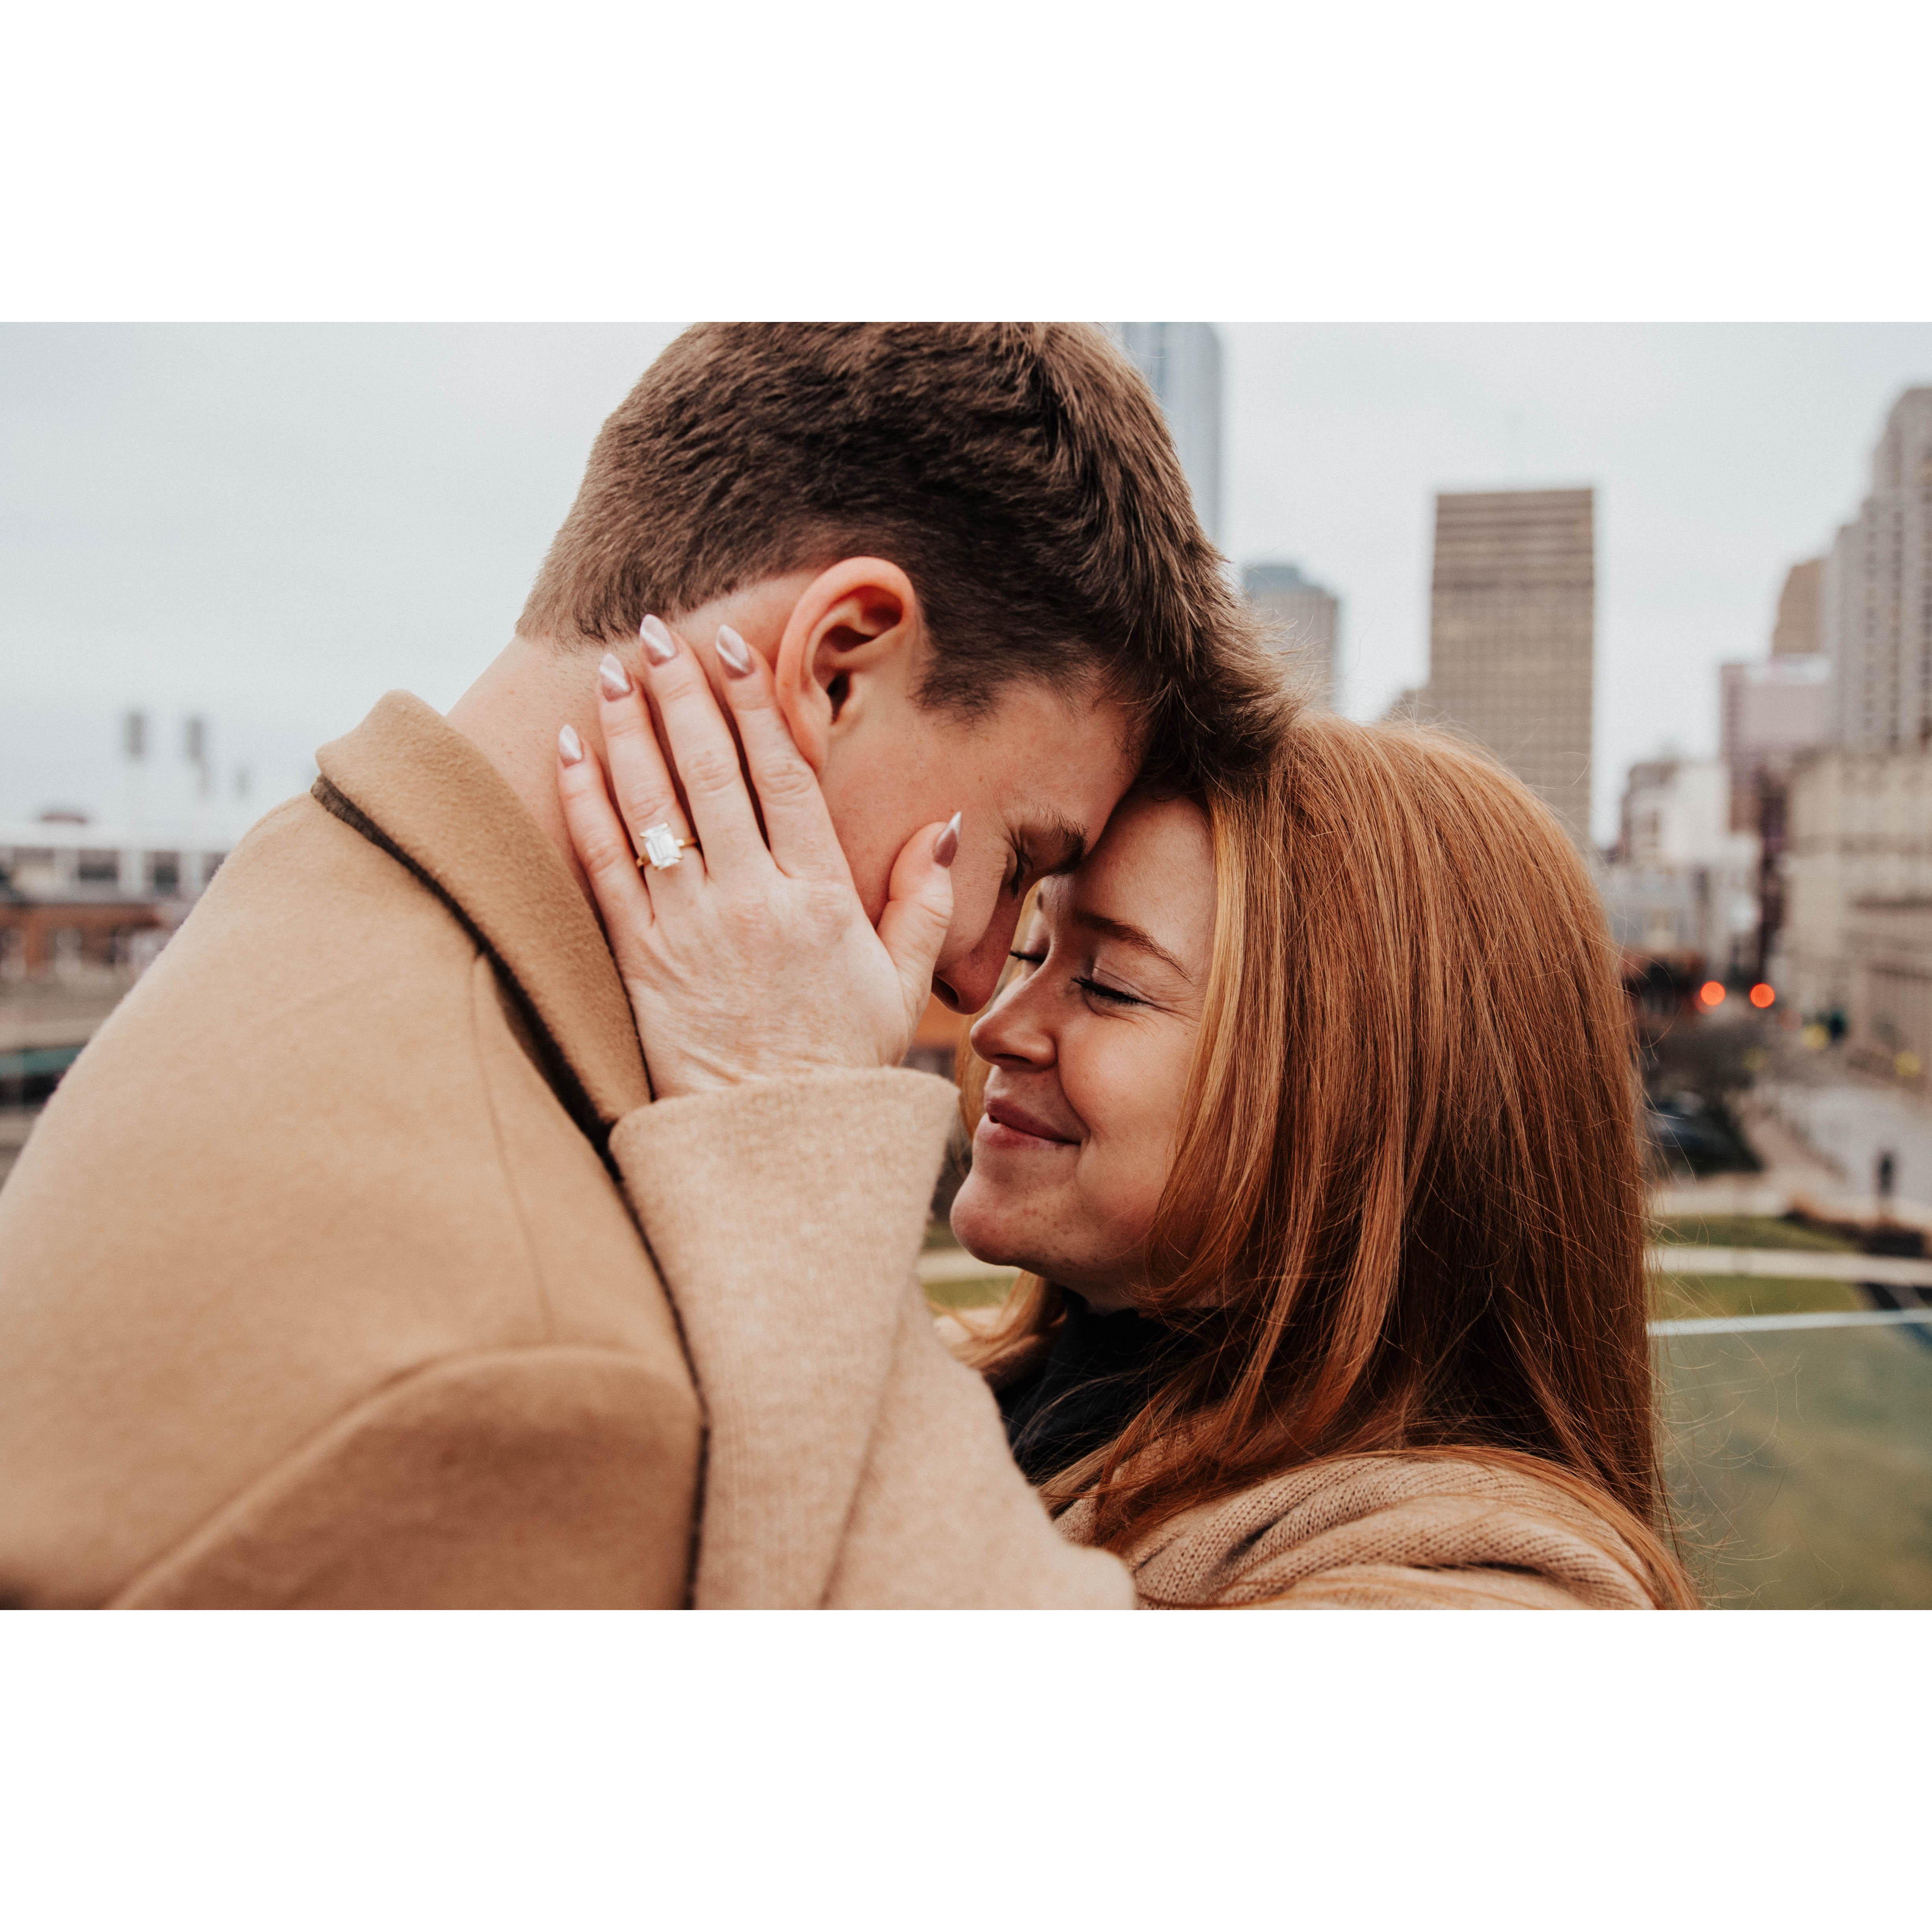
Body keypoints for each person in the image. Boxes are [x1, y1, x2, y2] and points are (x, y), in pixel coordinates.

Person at [0, 324, 1287, 1609]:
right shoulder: (538, 1381)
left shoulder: (313, 908)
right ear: (839, 668)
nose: (975, 980)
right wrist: (804, 1136)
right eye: (1017, 864)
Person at [563, 682, 1698, 1608]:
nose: (998, 1028)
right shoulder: (976, 1396)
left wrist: (791, 1131)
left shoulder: (1490, 1600)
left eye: (1108, 985)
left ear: (1353, 1100)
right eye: (1031, 954)